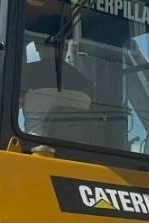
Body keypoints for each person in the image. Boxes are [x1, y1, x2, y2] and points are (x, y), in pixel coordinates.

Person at [20, 7, 95, 138]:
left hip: (35, 148)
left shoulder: (27, 74)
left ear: (38, 46)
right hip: (78, 151)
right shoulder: (86, 84)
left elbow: (4, 107)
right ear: (66, 46)